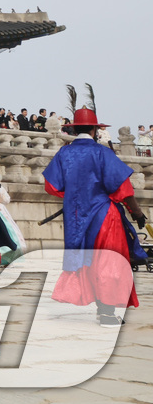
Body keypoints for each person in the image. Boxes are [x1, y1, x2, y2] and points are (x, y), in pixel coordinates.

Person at [43, 107, 147, 326]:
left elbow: (51, 186)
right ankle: (107, 313)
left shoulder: (64, 153)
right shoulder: (102, 152)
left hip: (76, 216)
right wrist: (137, 213)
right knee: (109, 262)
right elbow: (124, 189)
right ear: (95, 129)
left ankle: (102, 309)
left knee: (88, 261)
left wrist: (75, 193)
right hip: (104, 215)